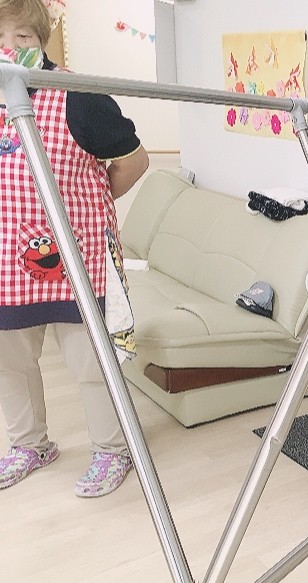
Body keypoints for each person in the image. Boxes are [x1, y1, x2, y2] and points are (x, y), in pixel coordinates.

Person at [0, 0, 149, 497]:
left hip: (77, 253)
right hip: (6, 260)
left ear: (39, 42)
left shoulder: (78, 95)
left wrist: (89, 205)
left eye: (20, 38)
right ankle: (30, 445)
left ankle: (112, 449)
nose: (8, 50)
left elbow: (134, 162)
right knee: (10, 361)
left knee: (92, 362)